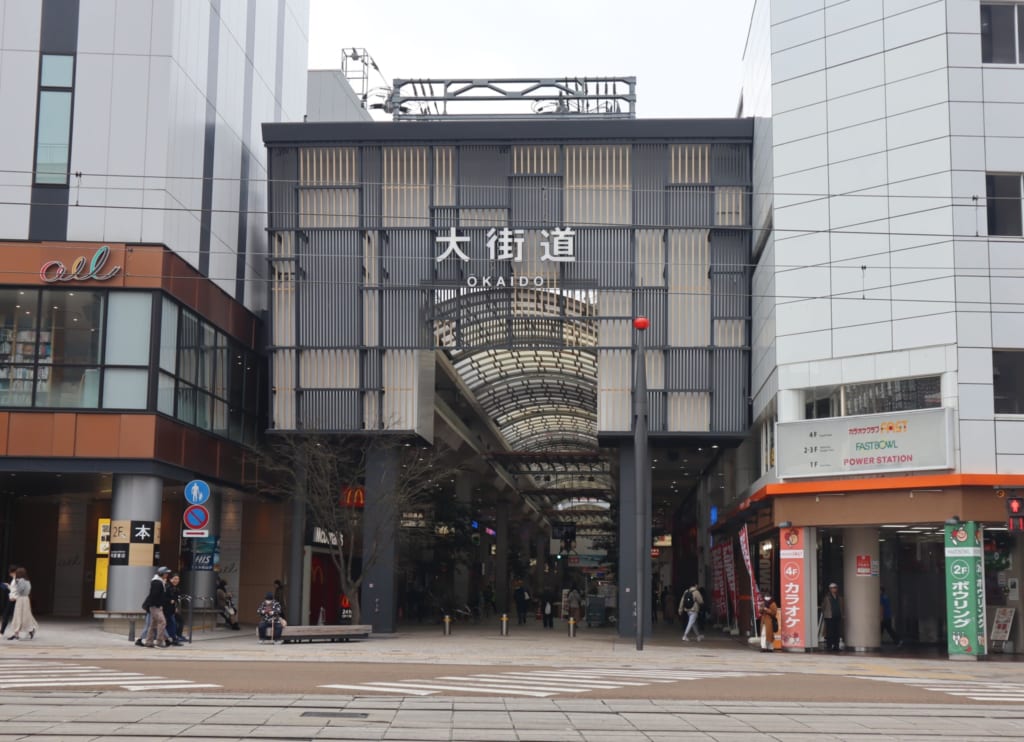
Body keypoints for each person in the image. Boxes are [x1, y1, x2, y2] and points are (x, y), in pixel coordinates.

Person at [5, 566, 38, 640]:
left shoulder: (20, 581)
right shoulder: (27, 581)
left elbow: (19, 591)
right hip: (26, 599)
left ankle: (17, 633)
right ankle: (28, 630)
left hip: (20, 600)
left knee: (18, 616)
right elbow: (27, 591)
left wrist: (14, 595)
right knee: (25, 616)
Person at [141, 566, 170, 648]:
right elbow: (154, 595)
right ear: (162, 573)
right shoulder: (157, 582)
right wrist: (158, 604)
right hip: (155, 606)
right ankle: (159, 641)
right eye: (166, 573)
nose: (167, 574)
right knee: (162, 622)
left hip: (155, 606)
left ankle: (149, 642)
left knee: (153, 624)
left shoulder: (158, 581)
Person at [821, 582, 844, 651]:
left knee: (837, 632)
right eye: (833, 588)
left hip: (837, 616)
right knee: (829, 632)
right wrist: (825, 614)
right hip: (829, 617)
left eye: (835, 588)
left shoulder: (839, 597)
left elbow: (841, 606)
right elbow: (823, 607)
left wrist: (842, 614)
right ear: (830, 589)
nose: (834, 589)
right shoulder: (827, 597)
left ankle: (836, 646)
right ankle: (829, 646)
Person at [164, 573, 184, 646]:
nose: (176, 580)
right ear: (170, 579)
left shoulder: (176, 588)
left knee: (172, 623)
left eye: (178, 579)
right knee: (169, 624)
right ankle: (172, 639)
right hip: (166, 609)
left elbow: (175, 599)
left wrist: (175, 607)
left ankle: (173, 638)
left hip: (171, 609)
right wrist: (170, 600)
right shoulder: (168, 587)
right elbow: (164, 597)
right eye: (175, 579)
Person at [0, 565, 15, 636]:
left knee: (18, 616)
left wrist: (8, 586)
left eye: (10, 572)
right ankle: (2, 631)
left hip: (14, 599)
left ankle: (30, 630)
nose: (9, 574)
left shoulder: (17, 580)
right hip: (11, 599)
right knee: (5, 615)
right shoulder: (14, 579)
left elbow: (16, 590)